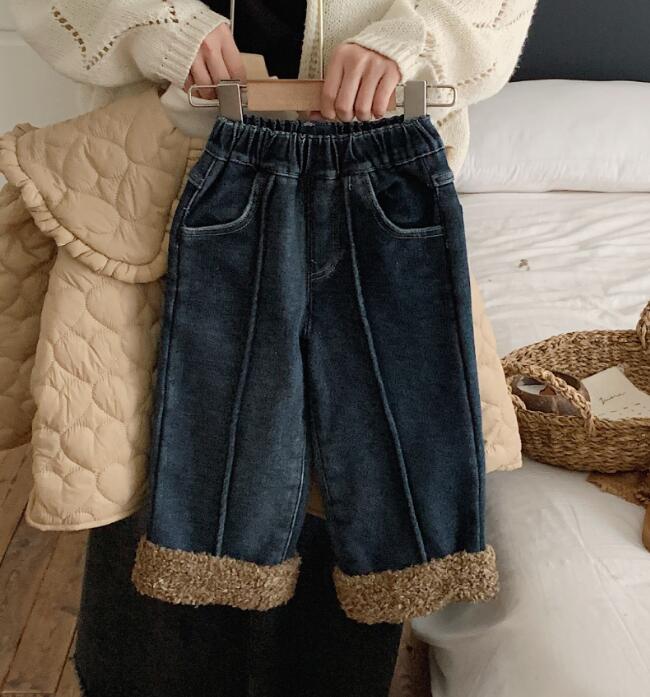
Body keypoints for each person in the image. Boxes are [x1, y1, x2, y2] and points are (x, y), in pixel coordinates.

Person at [9, 2, 537, 696]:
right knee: (160, 485)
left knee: (344, 554)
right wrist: (155, 22)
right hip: (167, 167)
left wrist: (416, 36)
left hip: (380, 158)